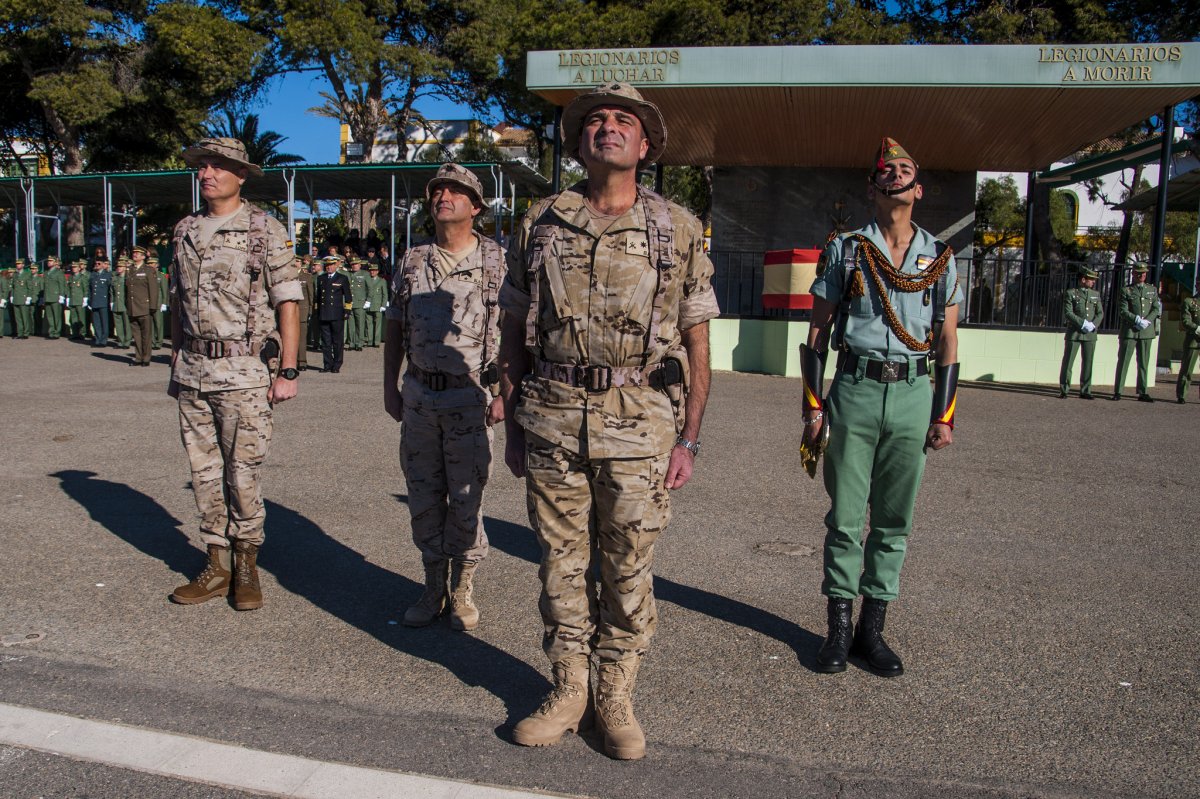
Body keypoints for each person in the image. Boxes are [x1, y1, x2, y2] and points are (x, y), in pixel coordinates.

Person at [499, 83, 719, 760]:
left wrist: (689, 438)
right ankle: (569, 688)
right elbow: (512, 328)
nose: (609, 128)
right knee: (560, 563)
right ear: (579, 143)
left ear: (645, 145)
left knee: (627, 565)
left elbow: (697, 341)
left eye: (625, 120)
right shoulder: (541, 220)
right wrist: (513, 425)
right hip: (552, 416)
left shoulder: (676, 227)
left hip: (639, 423)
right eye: (596, 120)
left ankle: (615, 691)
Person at [801, 137, 961, 680]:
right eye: (885, 170)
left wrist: (943, 415)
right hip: (856, 389)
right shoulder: (847, 250)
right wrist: (813, 407)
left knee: (894, 520)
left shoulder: (940, 257)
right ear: (872, 189)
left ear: (918, 189)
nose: (894, 174)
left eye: (904, 168)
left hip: (914, 393)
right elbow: (817, 332)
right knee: (846, 518)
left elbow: (948, 342)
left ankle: (873, 631)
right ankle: (838, 630)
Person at [167, 137, 302, 611]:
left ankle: (246, 563)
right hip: (193, 369)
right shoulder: (185, 230)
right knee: (203, 472)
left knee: (242, 472)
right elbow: (178, 302)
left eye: (218, 166)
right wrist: (175, 357)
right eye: (202, 166)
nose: (207, 174)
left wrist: (288, 369)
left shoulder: (264, 229)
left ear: (241, 175)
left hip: (244, 372)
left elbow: (288, 302)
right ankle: (216, 562)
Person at [383, 163, 506, 632]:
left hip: (470, 398)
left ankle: (463, 586)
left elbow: (514, 331)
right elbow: (395, 325)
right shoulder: (413, 260)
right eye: (438, 190)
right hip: (419, 397)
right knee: (423, 494)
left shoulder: (496, 262)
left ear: (476, 207)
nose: (443, 197)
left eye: (456, 191)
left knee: (467, 496)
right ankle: (433, 583)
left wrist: (505, 392)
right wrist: (390, 386)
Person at [1112, 263, 1160, 402]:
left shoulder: (1152, 289)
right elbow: (1123, 310)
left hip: (1146, 331)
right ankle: (1118, 391)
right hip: (1130, 331)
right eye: (1138, 273)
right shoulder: (1126, 290)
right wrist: (1136, 319)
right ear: (1133, 273)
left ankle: (1143, 391)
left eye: (1143, 273)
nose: (1141, 275)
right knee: (1124, 361)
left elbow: (1155, 308)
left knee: (1144, 363)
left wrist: (1147, 321)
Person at [1059, 267, 1104, 399]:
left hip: (1090, 333)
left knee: (1088, 363)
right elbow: (1068, 312)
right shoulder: (1071, 293)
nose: (1093, 282)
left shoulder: (1095, 294)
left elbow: (1100, 313)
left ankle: (1086, 390)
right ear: (1083, 279)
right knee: (1068, 362)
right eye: (1091, 279)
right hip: (1075, 332)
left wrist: (1093, 324)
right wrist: (1083, 323)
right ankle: (1064, 389)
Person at [315, 255, 351, 373]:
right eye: (327, 265)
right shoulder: (321, 278)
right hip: (324, 313)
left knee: (337, 341)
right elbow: (318, 298)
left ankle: (337, 365)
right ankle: (327, 364)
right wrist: (317, 311)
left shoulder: (342, 278)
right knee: (326, 342)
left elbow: (348, 296)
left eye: (331, 265)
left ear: (336, 265)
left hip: (337, 314)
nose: (329, 267)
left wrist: (347, 311)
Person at [126, 245, 161, 366]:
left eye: (137, 253)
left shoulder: (148, 270)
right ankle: (138, 357)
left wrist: (153, 306)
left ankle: (146, 358)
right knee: (136, 335)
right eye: (134, 253)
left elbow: (153, 290)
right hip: (132, 307)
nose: (134, 255)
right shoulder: (130, 270)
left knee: (146, 335)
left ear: (143, 257)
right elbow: (128, 289)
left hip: (144, 307)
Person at [1177, 292, 1199, 404]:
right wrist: (1198, 329)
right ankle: (1182, 395)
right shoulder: (1189, 301)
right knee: (1187, 369)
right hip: (1193, 339)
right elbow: (1186, 321)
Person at [88, 256, 113, 347]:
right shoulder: (93, 275)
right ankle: (98, 339)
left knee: (104, 322)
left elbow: (110, 289)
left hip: (104, 302)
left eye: (99, 263)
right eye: (96, 263)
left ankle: (103, 340)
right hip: (95, 301)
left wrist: (111, 301)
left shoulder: (108, 275)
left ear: (103, 265)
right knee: (96, 322)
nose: (97, 265)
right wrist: (89, 300)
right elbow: (90, 289)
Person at [43, 256, 67, 339]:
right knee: (49, 316)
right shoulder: (46, 272)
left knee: (57, 316)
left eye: (51, 261)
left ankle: (57, 332)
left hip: (55, 296)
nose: (49, 262)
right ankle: (51, 332)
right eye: (48, 261)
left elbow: (61, 284)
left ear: (55, 262)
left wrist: (61, 295)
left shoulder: (59, 272)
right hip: (48, 296)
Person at [295, 257, 313, 370]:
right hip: (289, 312)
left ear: (301, 263)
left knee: (301, 338)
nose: (295, 263)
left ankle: (302, 361)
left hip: (302, 310)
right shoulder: (287, 276)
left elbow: (310, 295)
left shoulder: (307, 276)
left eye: (297, 261)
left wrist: (310, 310)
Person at [364, 263, 387, 347]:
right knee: (369, 324)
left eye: (374, 270)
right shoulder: (367, 280)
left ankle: (376, 342)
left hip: (378, 305)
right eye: (371, 270)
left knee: (378, 324)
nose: (372, 272)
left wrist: (383, 305)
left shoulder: (382, 281)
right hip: (368, 305)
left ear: (377, 271)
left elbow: (385, 294)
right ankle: (370, 341)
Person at [347, 257, 368, 350]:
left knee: (360, 324)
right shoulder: (348, 274)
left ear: (360, 265)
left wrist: (368, 300)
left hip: (360, 302)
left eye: (356, 264)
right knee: (351, 324)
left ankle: (359, 343)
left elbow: (369, 288)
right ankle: (352, 343)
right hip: (350, 302)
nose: (354, 266)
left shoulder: (365, 274)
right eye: (352, 264)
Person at [10, 259, 33, 339]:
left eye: (19, 264)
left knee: (24, 317)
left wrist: (29, 297)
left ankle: (26, 333)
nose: (17, 265)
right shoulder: (15, 275)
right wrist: (12, 296)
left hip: (23, 297)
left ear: (23, 265)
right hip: (16, 298)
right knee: (18, 318)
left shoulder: (27, 274)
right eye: (17, 264)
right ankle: (20, 333)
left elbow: (29, 287)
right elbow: (13, 287)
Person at [111, 257, 131, 350]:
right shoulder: (115, 278)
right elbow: (112, 292)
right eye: (118, 267)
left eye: (121, 266)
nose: (119, 268)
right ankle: (120, 341)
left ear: (125, 268)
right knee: (118, 324)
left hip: (125, 304)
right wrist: (112, 302)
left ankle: (127, 341)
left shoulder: (128, 278)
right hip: (117, 304)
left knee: (126, 324)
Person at [67, 261, 90, 339]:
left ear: (79, 268)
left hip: (80, 300)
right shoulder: (71, 277)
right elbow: (69, 289)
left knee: (81, 318)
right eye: (73, 267)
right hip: (73, 300)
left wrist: (85, 298)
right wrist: (68, 298)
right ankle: (75, 333)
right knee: (73, 318)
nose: (73, 269)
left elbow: (85, 289)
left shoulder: (82, 277)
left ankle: (82, 333)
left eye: (75, 267)